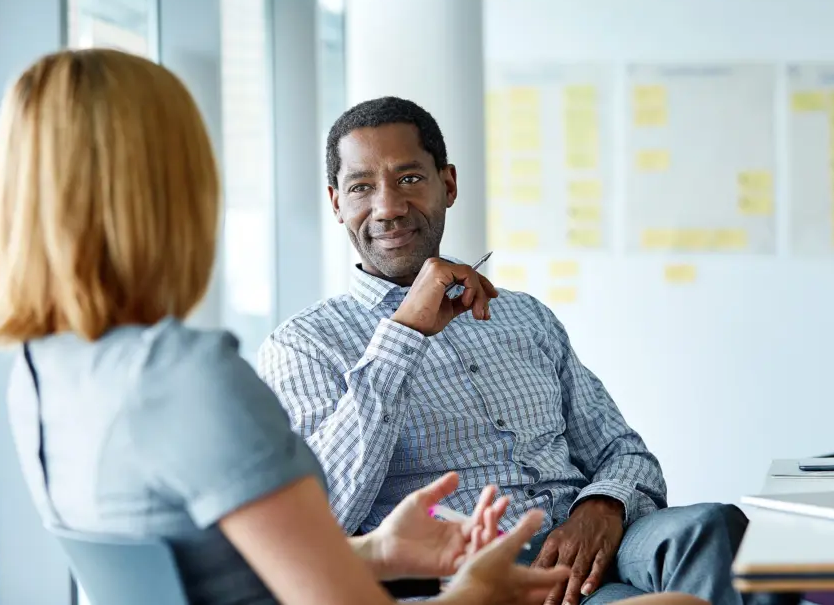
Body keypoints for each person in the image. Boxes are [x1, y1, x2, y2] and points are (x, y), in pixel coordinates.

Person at [0, 48, 584, 605]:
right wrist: (478, 593)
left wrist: (376, 552)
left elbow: (206, 573)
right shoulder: (186, 376)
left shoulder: (41, 373)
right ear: (171, 191)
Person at [258, 96, 751, 605]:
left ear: (448, 185)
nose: (388, 207)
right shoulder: (304, 345)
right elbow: (323, 516)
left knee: (711, 527)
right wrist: (403, 334)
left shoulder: (524, 315)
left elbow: (623, 451)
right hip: (480, 577)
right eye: (361, 187)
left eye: (409, 179)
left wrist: (603, 506)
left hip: (596, 537)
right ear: (336, 202)